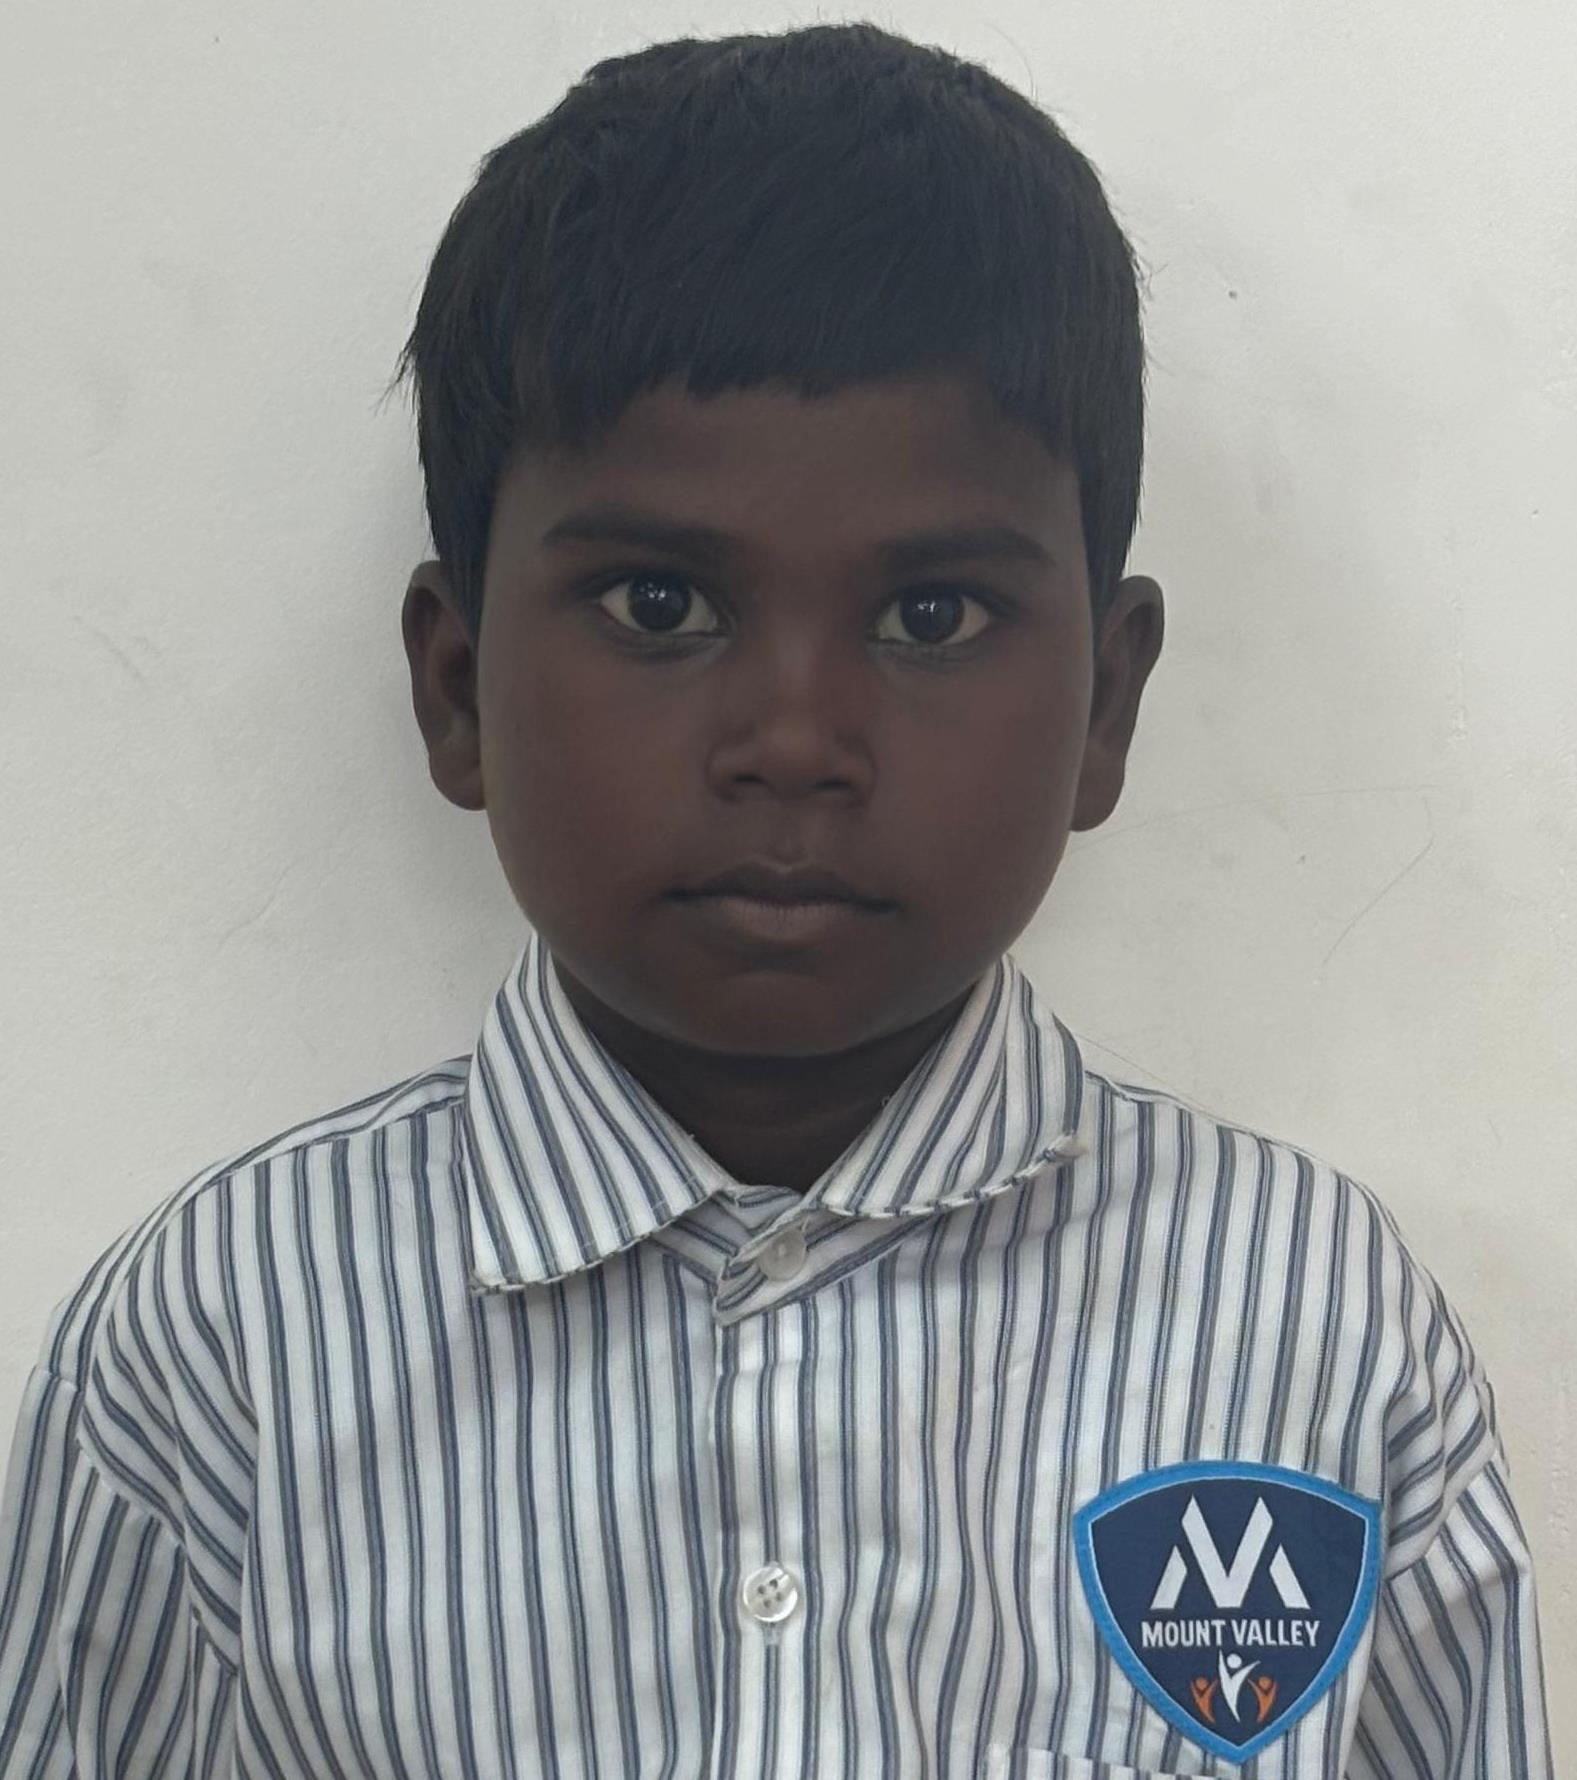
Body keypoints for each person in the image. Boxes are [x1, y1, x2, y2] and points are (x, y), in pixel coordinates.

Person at [0, 20, 1553, 1778]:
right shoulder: (220, 1350)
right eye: (659, 605)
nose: (795, 743)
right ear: (456, 689)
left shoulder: (1311, 1329)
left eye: (930, 616)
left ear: (1105, 708)